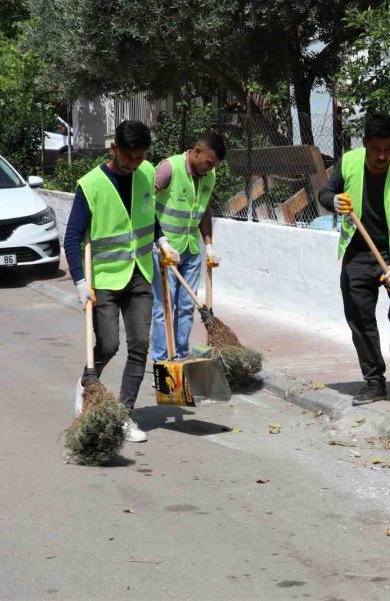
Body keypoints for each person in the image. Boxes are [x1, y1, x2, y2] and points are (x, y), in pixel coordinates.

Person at [65, 120, 181, 443]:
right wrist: (78, 281)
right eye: (128, 157)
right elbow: (72, 237)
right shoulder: (91, 186)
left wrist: (163, 241)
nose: (133, 164)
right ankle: (88, 383)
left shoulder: (146, 174)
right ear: (114, 148)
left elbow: (149, 217)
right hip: (104, 279)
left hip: (140, 273)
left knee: (140, 345)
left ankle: (124, 415)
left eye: (139, 157)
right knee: (108, 345)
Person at [318, 113, 390, 408]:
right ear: (365, 144)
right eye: (376, 149)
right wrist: (334, 202)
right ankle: (374, 382)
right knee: (360, 319)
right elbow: (325, 193)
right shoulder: (349, 162)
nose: (382, 156)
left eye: (388, 149)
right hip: (358, 252)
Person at [150, 132, 226, 363]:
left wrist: (209, 246)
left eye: (215, 165)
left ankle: (180, 358)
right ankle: (162, 362)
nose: (211, 168)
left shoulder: (209, 176)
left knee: (186, 306)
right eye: (209, 162)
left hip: (191, 249)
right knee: (164, 307)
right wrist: (159, 240)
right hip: (164, 251)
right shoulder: (168, 168)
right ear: (196, 152)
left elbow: (204, 210)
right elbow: (144, 203)